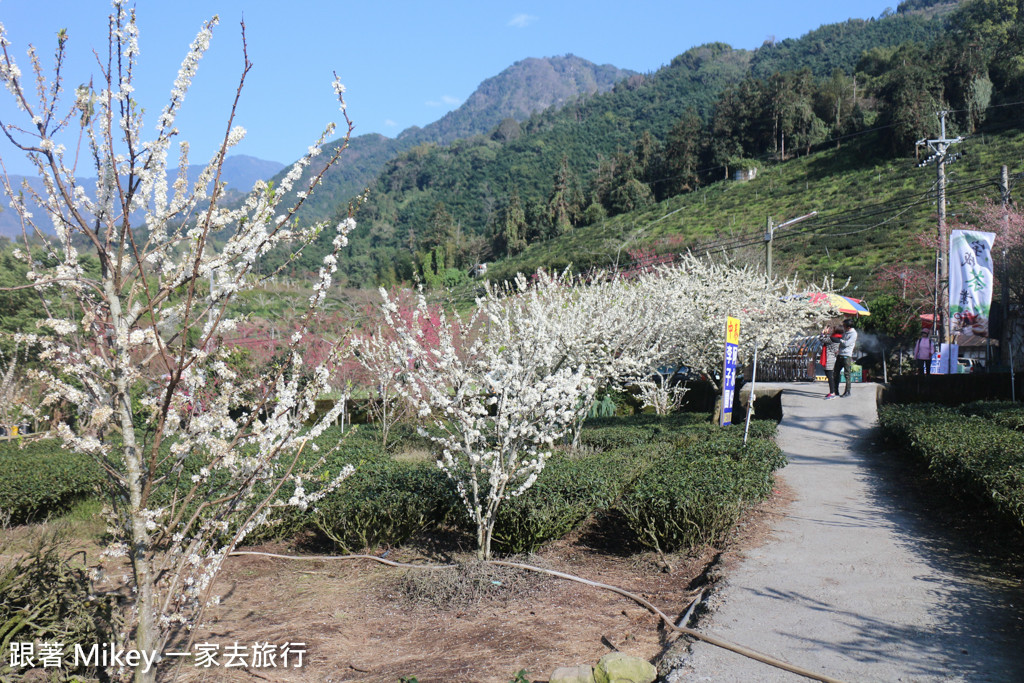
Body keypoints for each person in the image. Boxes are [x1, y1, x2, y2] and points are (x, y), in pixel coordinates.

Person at [819, 326, 843, 399]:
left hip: (829, 358)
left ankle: (832, 392)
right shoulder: (838, 338)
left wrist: (823, 333)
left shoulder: (832, 338)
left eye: (832, 329)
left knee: (829, 375)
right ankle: (833, 391)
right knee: (830, 375)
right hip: (832, 358)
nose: (831, 330)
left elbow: (821, 339)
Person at [836, 318, 857, 397]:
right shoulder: (845, 332)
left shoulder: (853, 334)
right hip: (840, 354)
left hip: (847, 355)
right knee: (836, 373)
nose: (843, 327)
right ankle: (835, 390)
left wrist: (840, 340)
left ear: (848, 327)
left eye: (844, 326)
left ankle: (847, 391)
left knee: (847, 374)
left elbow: (847, 343)